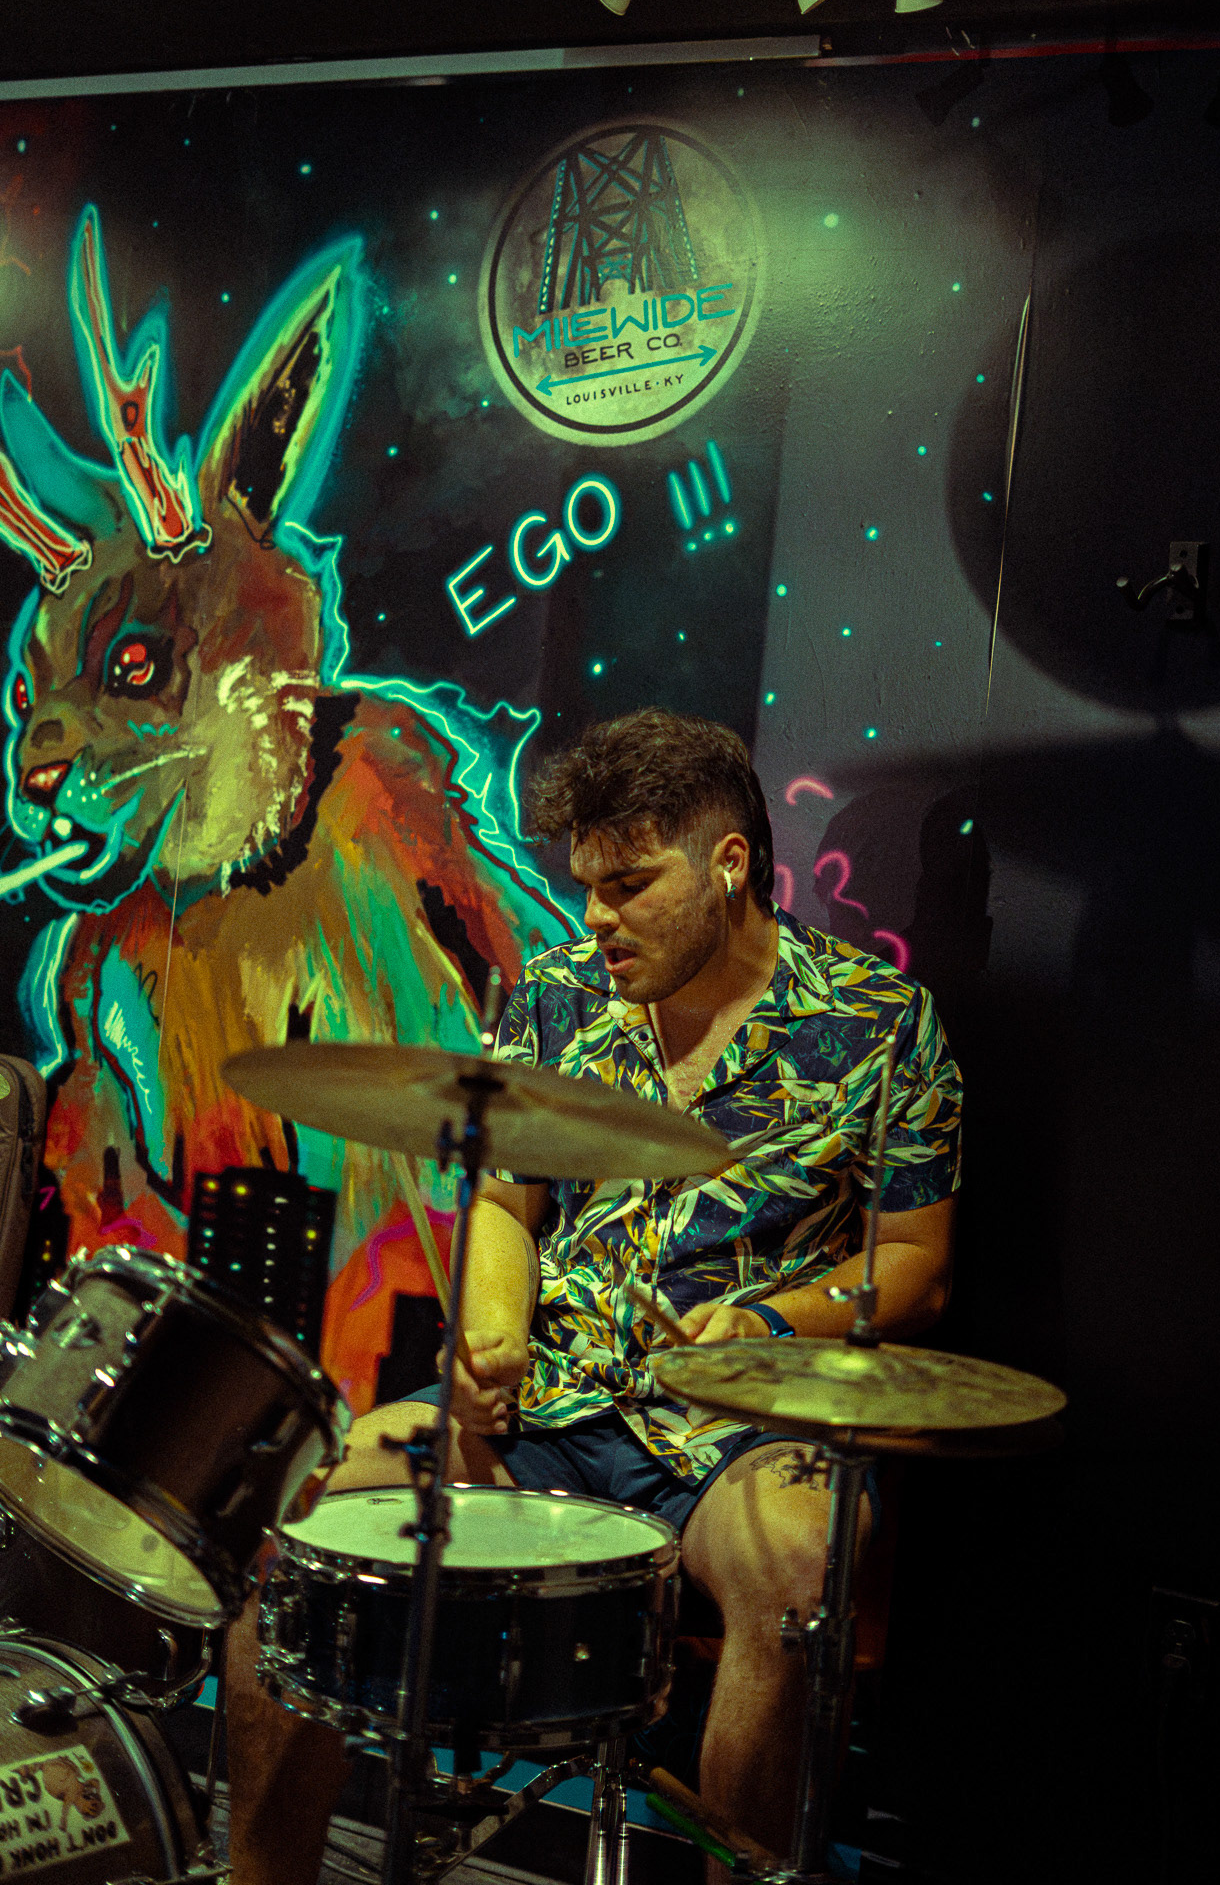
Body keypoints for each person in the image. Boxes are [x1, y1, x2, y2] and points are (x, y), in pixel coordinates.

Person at [225, 708, 962, 1884]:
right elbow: (504, 1201)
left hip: (742, 1427)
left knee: (796, 1568)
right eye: (585, 886)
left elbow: (917, 1260)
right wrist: (489, 1330)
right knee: (307, 1521)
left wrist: (770, 1323)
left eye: (628, 885)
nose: (597, 917)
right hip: (554, 1403)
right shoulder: (561, 995)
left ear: (729, 865)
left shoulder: (881, 1024)